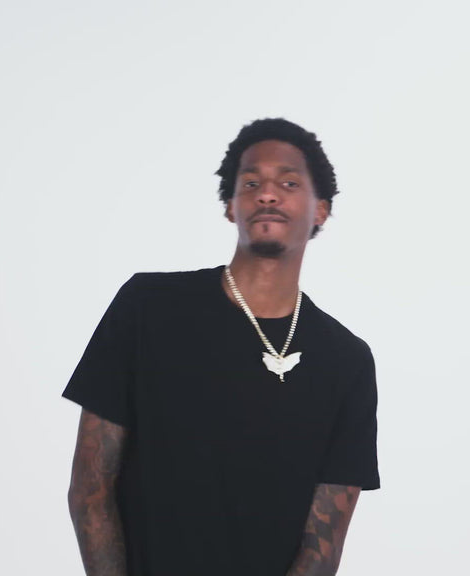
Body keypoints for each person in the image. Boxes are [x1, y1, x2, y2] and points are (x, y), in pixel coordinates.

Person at [62, 117, 381, 576]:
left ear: (321, 210)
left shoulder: (346, 361)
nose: (267, 194)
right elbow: (91, 489)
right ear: (230, 206)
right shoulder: (148, 308)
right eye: (251, 183)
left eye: (288, 183)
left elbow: (323, 543)